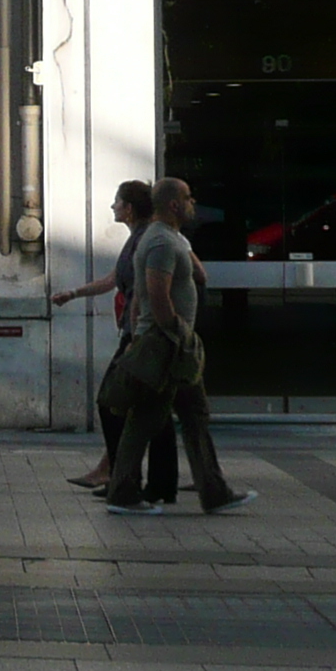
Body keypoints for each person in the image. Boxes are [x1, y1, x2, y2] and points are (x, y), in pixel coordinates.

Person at [103, 177, 252, 516]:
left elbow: (155, 290)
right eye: (187, 197)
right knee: (147, 416)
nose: (192, 202)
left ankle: (213, 491)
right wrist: (176, 332)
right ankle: (123, 492)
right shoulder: (160, 242)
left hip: (168, 342)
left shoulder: (169, 238)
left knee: (193, 414)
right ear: (173, 204)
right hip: (167, 344)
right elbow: (154, 293)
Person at [58, 180, 176, 496]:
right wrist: (73, 293)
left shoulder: (147, 239)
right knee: (153, 411)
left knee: (112, 403)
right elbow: (114, 279)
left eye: (117, 201)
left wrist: (137, 334)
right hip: (138, 334)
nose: (112, 207)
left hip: (140, 336)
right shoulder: (135, 240)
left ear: (129, 208)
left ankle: (124, 478)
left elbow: (145, 291)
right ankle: (149, 482)